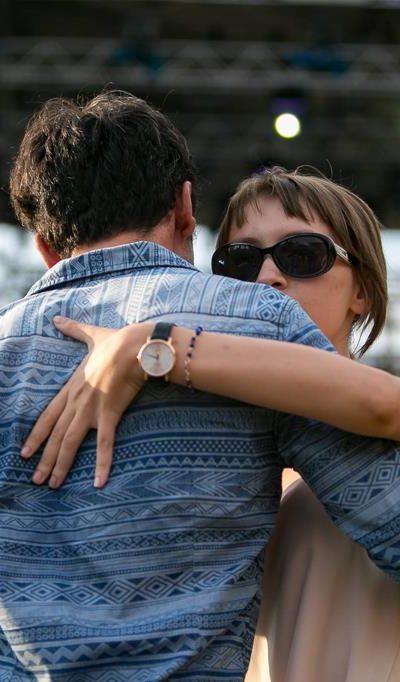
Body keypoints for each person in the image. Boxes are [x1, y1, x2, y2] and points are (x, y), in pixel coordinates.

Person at [2, 92, 400, 681]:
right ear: (186, 208)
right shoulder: (255, 322)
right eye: (239, 260)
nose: (268, 279)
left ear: (43, 245)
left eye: (301, 255)